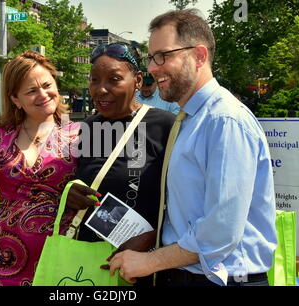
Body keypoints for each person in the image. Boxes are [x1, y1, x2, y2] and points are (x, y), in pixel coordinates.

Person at [107, 9, 277, 286]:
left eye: (163, 56)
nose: (152, 68)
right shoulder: (190, 119)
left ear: (199, 55)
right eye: (151, 58)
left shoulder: (225, 121)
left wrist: (149, 261)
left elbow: (220, 229)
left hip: (226, 279)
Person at [66, 42, 175, 286]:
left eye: (114, 79)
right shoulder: (85, 129)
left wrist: (152, 237)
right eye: (94, 80)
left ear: (137, 80)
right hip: (85, 263)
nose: (101, 89)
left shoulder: (165, 126)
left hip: (141, 266)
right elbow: (66, 180)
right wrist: (68, 193)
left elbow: (185, 199)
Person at [0, 51, 79, 286]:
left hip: (66, 270)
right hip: (4, 270)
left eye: (47, 84)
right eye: (31, 91)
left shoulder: (80, 134)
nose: (43, 94)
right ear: (15, 99)